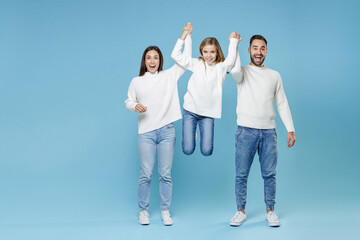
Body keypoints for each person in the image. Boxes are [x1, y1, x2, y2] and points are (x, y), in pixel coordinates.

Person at [125, 24, 192, 226]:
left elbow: (185, 61)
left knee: (165, 174)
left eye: (155, 57)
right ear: (144, 61)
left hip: (166, 132)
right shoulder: (136, 81)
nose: (152, 61)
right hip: (145, 132)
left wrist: (186, 36)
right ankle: (143, 211)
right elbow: (128, 101)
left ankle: (165, 210)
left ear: (160, 60)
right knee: (146, 174)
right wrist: (135, 105)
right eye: (148, 58)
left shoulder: (169, 75)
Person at [229, 35, 296, 227]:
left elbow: (282, 103)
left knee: (269, 174)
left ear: (266, 51)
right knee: (241, 174)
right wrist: (234, 43)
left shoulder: (274, 75)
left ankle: (270, 211)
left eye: (262, 48)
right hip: (245, 131)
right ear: (249, 50)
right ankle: (240, 211)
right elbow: (233, 68)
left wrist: (290, 129)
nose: (259, 52)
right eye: (255, 48)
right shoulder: (241, 72)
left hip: (268, 133)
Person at [171, 24, 241, 156]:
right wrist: (186, 35)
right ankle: (191, 135)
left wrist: (233, 41)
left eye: (212, 52)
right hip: (190, 110)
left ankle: (196, 133)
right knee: (188, 150)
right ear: (202, 52)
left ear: (217, 52)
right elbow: (175, 55)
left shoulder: (221, 68)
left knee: (207, 151)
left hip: (208, 114)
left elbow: (231, 61)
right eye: (205, 52)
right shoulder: (196, 63)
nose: (209, 55)